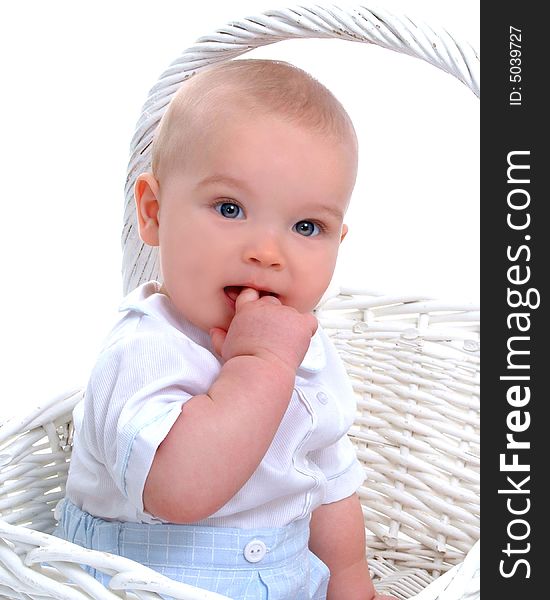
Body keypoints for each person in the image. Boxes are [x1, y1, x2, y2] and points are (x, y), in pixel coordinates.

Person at [55, 59, 396, 600]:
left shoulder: (305, 346)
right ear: (153, 212)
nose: (266, 252)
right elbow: (178, 490)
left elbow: (327, 479)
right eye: (230, 207)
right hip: (139, 587)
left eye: (308, 226)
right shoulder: (143, 349)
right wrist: (260, 366)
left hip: (285, 581)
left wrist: (352, 584)